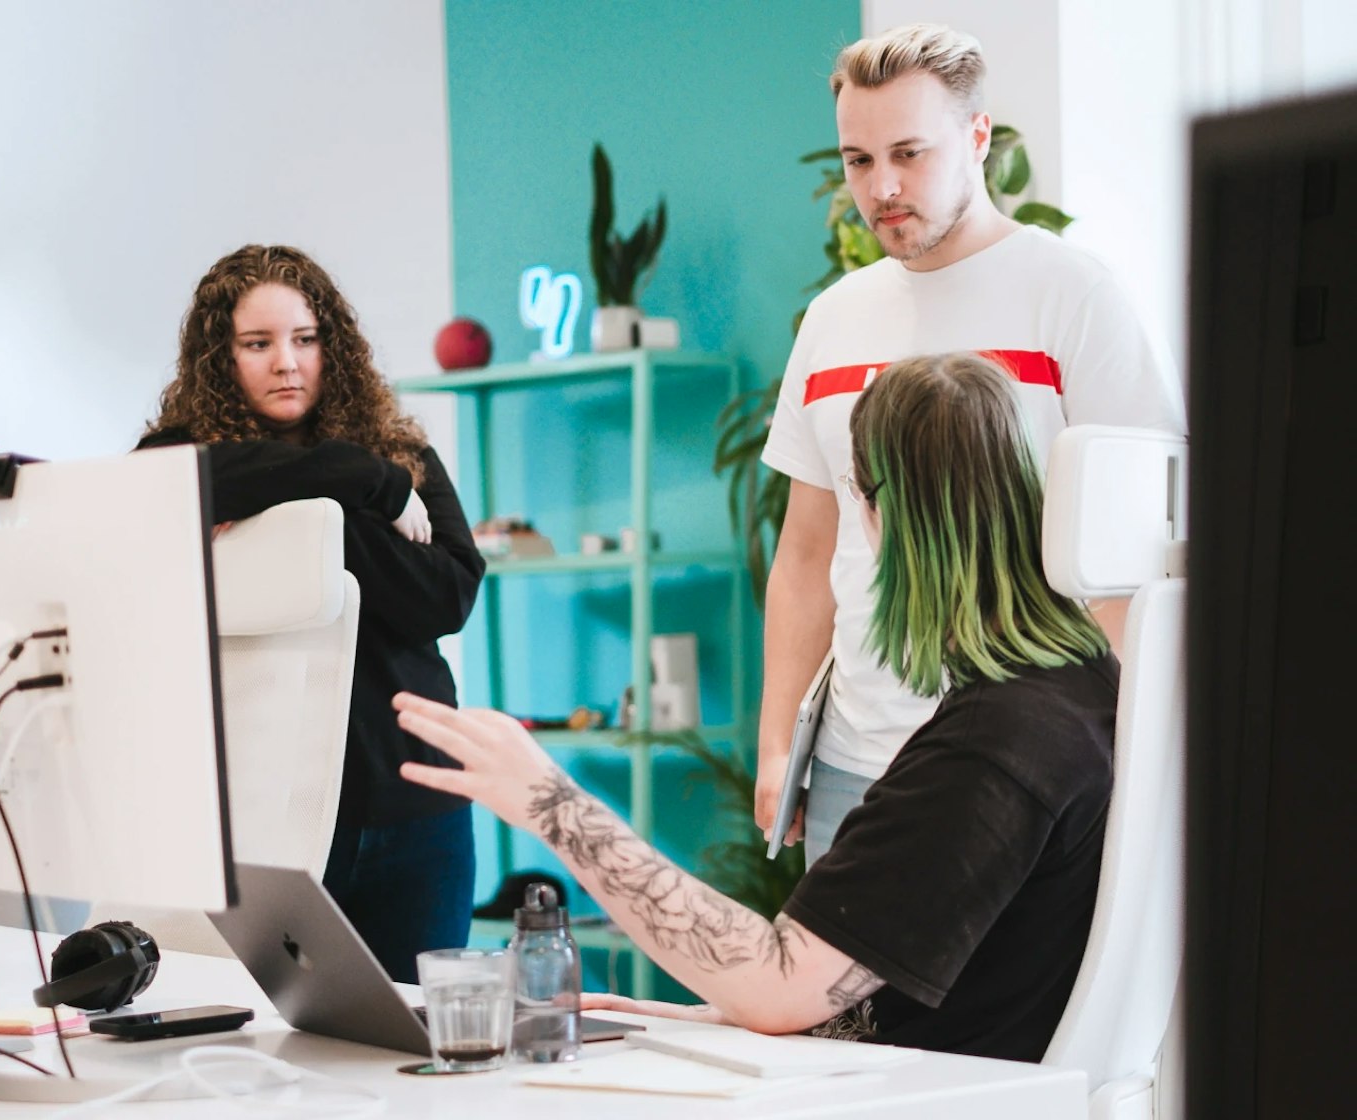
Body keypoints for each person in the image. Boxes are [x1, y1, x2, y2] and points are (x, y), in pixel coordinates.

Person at [393, 353, 1118, 1061]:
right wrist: (699, 1019)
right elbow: (845, 981)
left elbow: (780, 983)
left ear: (877, 514)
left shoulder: (992, 744)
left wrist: (551, 804)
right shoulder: (1082, 686)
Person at [756, 23, 1186, 865]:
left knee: (1021, 1001)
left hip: (1026, 763)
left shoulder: (1075, 297)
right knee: (843, 1004)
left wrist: (1149, 753)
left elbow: (1147, 556)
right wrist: (779, 744)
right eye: (858, 161)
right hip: (855, 761)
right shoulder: (833, 320)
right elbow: (807, 552)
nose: (882, 187)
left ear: (978, 137)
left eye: (909, 153)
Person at [138, 244, 485, 982]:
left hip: (419, 801)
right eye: (257, 344)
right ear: (221, 356)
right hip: (264, 815)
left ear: (332, 345)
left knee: (420, 1051)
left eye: (304, 339)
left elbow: (448, 596)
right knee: (267, 1051)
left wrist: (328, 508)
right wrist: (364, 484)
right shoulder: (182, 457)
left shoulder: (402, 452)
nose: (286, 363)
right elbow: (165, 483)